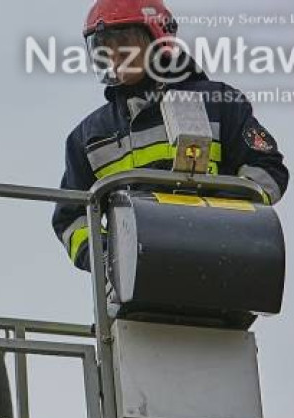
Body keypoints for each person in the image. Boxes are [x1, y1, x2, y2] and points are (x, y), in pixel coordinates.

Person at [52, 0, 288, 271]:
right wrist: (109, 257)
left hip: (222, 263)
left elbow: (268, 170)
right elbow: (71, 217)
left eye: (125, 42)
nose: (116, 55)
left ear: (158, 39)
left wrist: (226, 213)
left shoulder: (220, 103)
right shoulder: (88, 137)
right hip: (136, 286)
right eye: (104, 47)